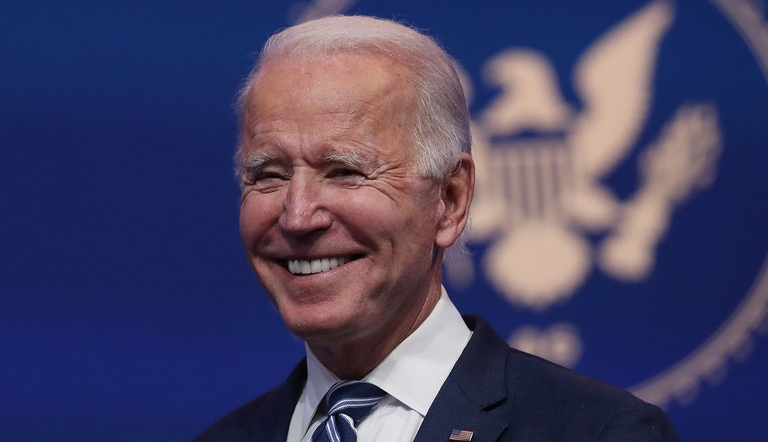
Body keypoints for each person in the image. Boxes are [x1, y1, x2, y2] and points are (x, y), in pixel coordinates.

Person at [195, 14, 678, 441]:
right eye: (268, 175)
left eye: (345, 172)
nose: (298, 216)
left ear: (450, 201)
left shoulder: (597, 433)